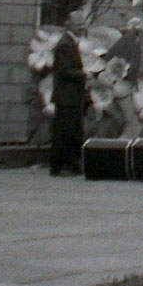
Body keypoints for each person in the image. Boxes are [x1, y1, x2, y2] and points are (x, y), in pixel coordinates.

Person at [50, 10, 87, 176]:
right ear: (70, 24)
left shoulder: (70, 42)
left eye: (83, 23)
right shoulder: (65, 44)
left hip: (70, 95)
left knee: (70, 131)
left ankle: (67, 164)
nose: (82, 27)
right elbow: (64, 71)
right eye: (79, 24)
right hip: (67, 96)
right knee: (65, 131)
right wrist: (86, 74)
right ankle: (62, 165)